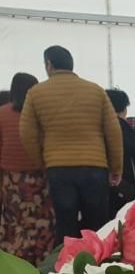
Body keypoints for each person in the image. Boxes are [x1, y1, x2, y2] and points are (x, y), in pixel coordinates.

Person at [19, 46, 122, 242]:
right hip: (95, 167)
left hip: (59, 169)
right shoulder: (95, 90)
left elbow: (27, 134)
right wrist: (115, 167)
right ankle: (99, 268)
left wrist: (43, 161)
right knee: (97, 227)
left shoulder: (36, 93)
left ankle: (65, 268)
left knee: (65, 225)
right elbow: (113, 132)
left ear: (49, 64)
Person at [0, 73, 55, 264]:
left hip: (10, 179)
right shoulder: (41, 114)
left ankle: (14, 260)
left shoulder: (2, 113)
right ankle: (42, 260)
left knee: (14, 221)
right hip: (38, 175)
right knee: (41, 219)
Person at [105, 88, 135, 217]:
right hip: (125, 179)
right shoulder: (118, 125)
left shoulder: (101, 125)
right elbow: (131, 148)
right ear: (123, 108)